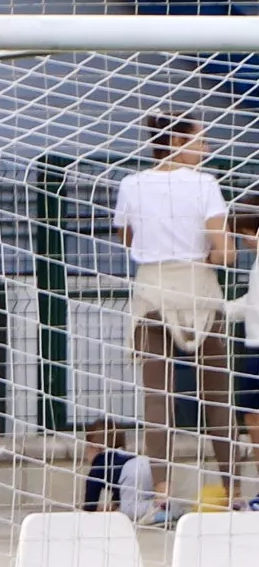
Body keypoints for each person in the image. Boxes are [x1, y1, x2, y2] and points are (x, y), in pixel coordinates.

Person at [115, 113, 232, 523]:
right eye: (201, 142)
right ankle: (232, 491)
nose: (206, 149)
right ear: (178, 142)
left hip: (151, 288)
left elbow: (126, 237)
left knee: (156, 398)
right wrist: (209, 255)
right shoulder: (204, 184)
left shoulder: (131, 184)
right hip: (198, 285)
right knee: (216, 396)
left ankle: (160, 497)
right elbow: (225, 252)